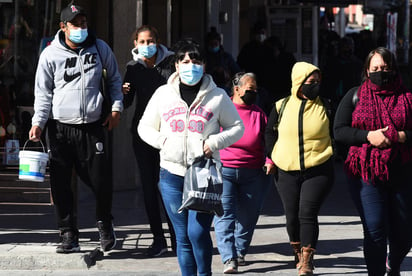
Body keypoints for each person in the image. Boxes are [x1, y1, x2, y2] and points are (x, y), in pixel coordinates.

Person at [137, 40, 244, 276]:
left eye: (196, 61)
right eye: (185, 61)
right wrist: (163, 142)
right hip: (171, 174)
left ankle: (204, 273)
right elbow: (144, 127)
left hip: (204, 173)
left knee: (197, 232)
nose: (190, 66)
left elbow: (237, 127)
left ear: (204, 65)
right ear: (176, 65)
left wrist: (214, 143)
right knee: (182, 235)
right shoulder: (163, 94)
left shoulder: (217, 96)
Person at [29, 4, 123, 253]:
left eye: (84, 23)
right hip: (60, 128)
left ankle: (105, 225)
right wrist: (38, 123)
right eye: (75, 24)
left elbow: (114, 79)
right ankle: (68, 234)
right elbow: (43, 93)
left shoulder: (100, 48)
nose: (81, 28)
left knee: (101, 181)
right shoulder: (50, 55)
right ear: (63, 27)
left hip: (93, 126)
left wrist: (116, 108)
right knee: (61, 184)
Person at [333, 47, 412, 276]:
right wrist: (368, 136)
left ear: (394, 69)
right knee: (375, 229)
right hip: (365, 172)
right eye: (376, 68)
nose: (381, 72)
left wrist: (400, 136)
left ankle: (393, 264)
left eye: (385, 68)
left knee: (404, 233)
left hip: (402, 170)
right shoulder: (355, 95)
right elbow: (339, 130)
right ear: (367, 71)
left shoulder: (406, 98)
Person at [265, 62, 334, 276]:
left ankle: (307, 260)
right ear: (298, 82)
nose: (315, 86)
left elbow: (337, 131)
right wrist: (271, 157)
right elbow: (269, 132)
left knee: (307, 213)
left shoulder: (327, 105)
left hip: (318, 168)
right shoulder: (281, 106)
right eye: (310, 82)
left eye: (317, 82)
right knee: (292, 215)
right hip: (286, 168)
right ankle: (297, 250)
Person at [122, 25, 176, 257]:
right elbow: (126, 103)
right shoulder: (133, 68)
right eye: (142, 42)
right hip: (143, 134)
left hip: (171, 134)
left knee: (171, 187)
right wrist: (122, 93)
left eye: (150, 40)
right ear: (135, 44)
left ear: (158, 41)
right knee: (149, 187)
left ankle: (178, 237)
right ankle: (158, 239)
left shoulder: (172, 62)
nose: (146, 45)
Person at [213, 72, 275, 274]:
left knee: (249, 216)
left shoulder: (259, 114)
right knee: (225, 215)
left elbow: (269, 141)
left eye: (256, 90)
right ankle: (228, 258)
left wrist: (269, 159)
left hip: (253, 172)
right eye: (250, 89)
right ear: (236, 89)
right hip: (225, 170)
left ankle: (239, 250)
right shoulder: (222, 109)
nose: (253, 93)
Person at [204, 27, 241, 93]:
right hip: (207, 87)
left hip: (224, 87)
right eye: (211, 44)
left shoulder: (226, 57)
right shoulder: (203, 57)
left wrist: (225, 73)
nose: (213, 46)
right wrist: (213, 70)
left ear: (219, 43)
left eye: (215, 44)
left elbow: (237, 72)